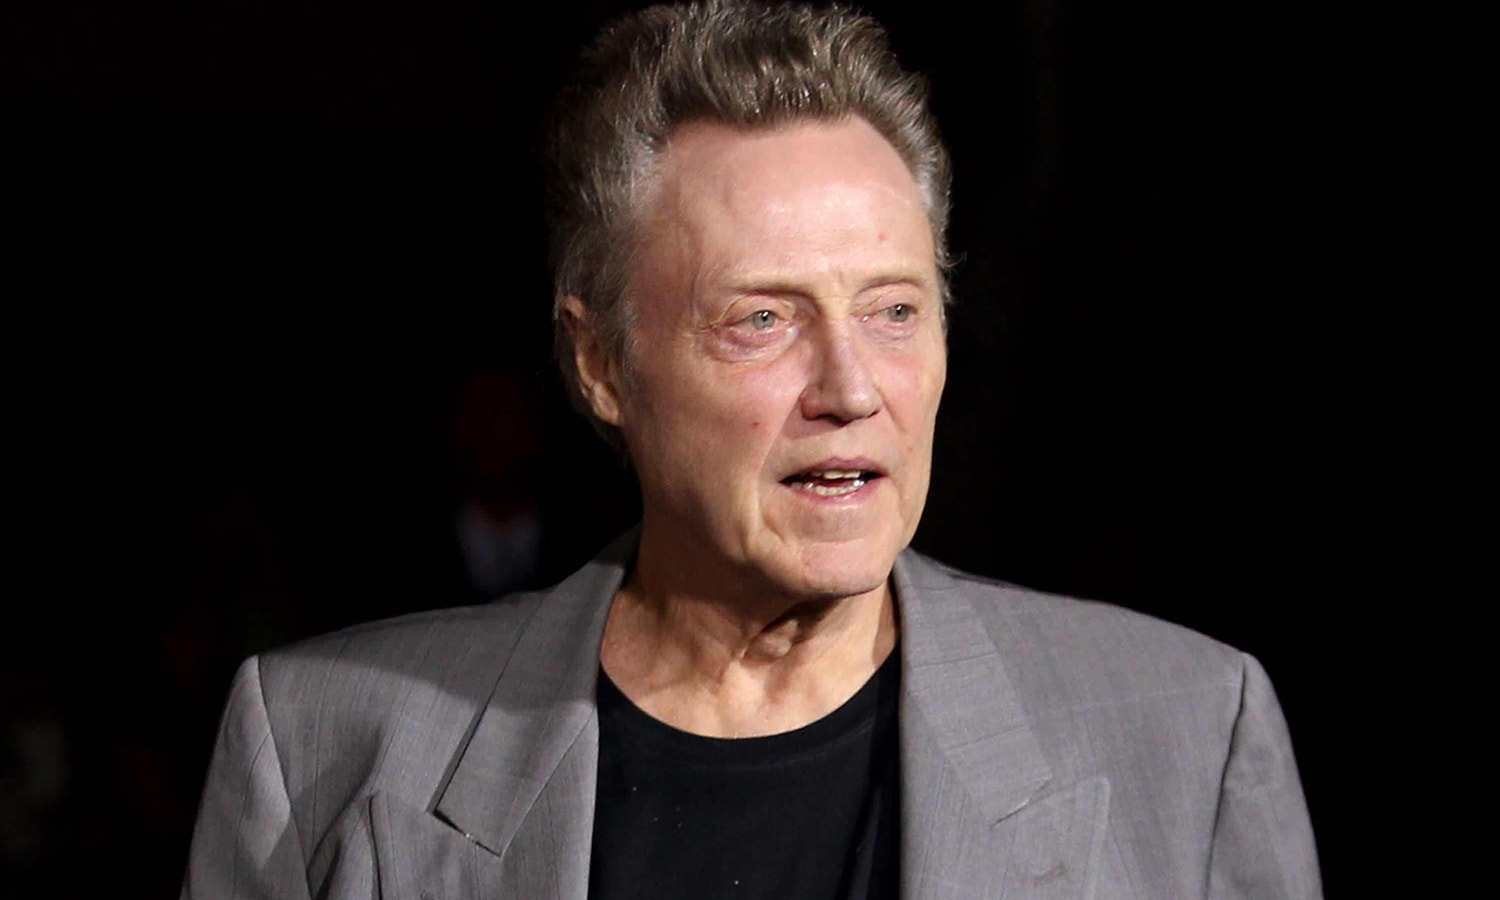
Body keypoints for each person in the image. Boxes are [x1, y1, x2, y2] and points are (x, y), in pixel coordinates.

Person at [181, 2, 1321, 897]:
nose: (852, 389)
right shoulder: (324, 746)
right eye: (763, 319)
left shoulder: (1190, 730)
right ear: (601, 363)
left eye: (894, 310)